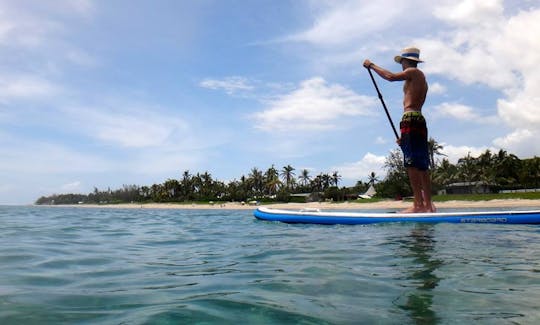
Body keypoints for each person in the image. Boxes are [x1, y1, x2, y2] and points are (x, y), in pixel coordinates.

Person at [363, 47, 435, 213]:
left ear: (406, 61)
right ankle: (428, 206)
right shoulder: (419, 79)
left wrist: (371, 65)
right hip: (417, 120)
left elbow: (390, 77)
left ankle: (418, 205)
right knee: (421, 164)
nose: (401, 65)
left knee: (412, 164)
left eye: (401, 62)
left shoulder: (414, 72)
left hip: (411, 119)